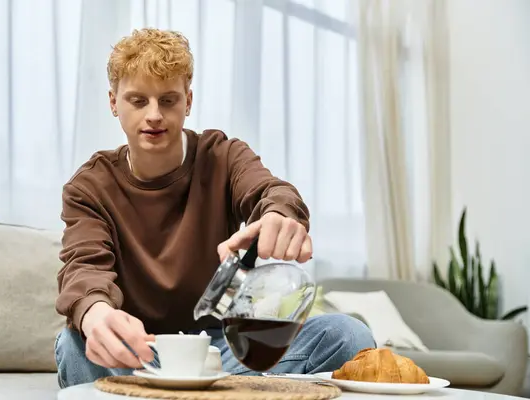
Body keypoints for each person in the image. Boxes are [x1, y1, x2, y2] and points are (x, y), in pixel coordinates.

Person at [54, 27, 374, 389]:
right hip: (138, 351)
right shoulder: (89, 187)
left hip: (217, 350)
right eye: (138, 100)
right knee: (75, 345)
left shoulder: (222, 155)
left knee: (347, 334)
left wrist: (279, 216)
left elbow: (271, 191)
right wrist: (96, 314)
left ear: (188, 101)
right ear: (114, 102)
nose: (155, 115)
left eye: (169, 100)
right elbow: (83, 268)